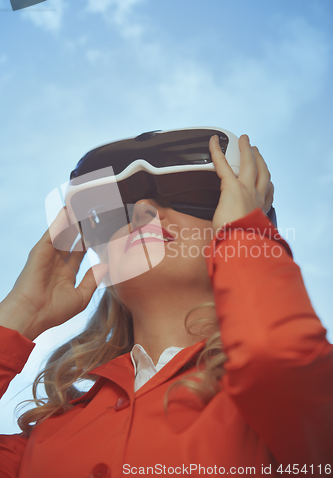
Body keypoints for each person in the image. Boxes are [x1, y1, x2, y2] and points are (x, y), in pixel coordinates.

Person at [0, 131, 332, 478]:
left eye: (192, 193)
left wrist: (244, 234)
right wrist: (20, 314)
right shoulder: (41, 442)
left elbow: (276, 357)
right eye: (119, 213)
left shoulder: (294, 403)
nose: (142, 210)